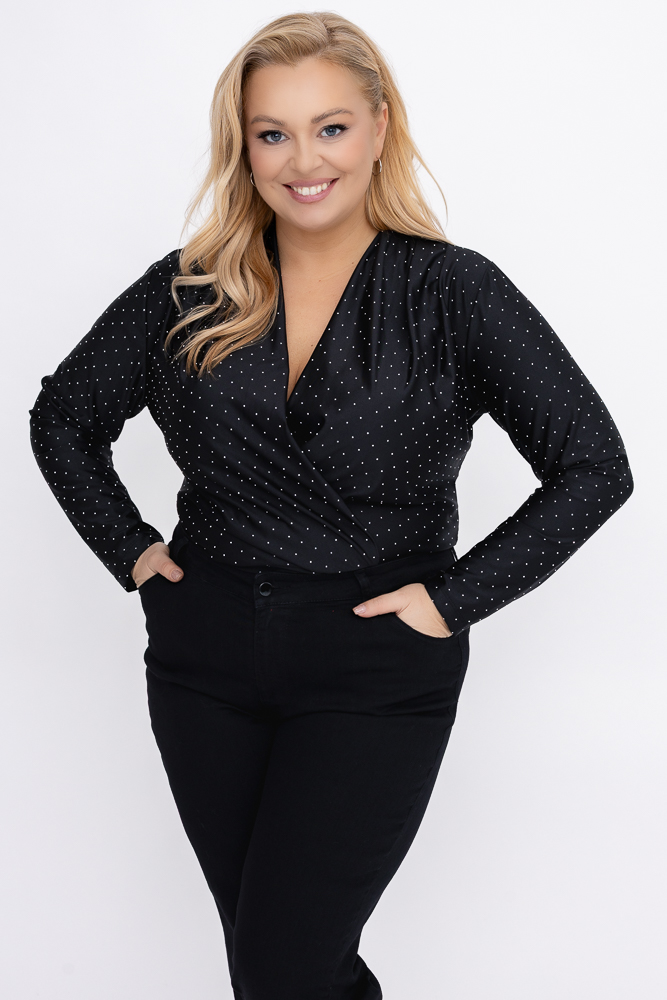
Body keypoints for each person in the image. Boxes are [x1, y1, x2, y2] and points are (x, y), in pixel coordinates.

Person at [28, 11, 633, 999]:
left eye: (331, 127)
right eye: (273, 133)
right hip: (203, 662)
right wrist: (132, 551)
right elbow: (64, 418)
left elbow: (593, 464)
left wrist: (451, 601)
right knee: (279, 968)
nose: (303, 161)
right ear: (244, 147)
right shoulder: (187, 288)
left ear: (380, 127)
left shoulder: (451, 291)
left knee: (284, 967)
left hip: (373, 666)